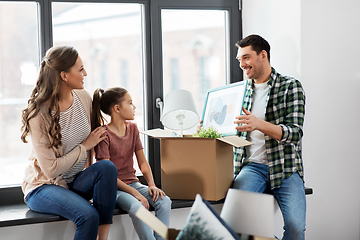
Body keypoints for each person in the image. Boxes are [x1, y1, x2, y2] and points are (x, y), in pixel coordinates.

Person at [21, 46, 118, 240]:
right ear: (64, 75)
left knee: (106, 168)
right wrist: (85, 146)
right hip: (43, 187)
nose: (85, 74)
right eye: (80, 69)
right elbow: (51, 170)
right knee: (88, 216)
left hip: (74, 182)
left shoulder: (84, 97)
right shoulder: (39, 114)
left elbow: (94, 145)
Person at [232, 34, 306, 240]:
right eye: (239, 60)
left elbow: (295, 132)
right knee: (238, 222)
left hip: (285, 167)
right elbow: (232, 131)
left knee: (295, 227)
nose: (242, 64)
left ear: (262, 55)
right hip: (251, 167)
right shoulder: (241, 91)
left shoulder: (291, 86)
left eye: (246, 58)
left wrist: (259, 125)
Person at [92, 87, 172, 240]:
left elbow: (142, 161)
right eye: (130, 103)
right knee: (137, 207)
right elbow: (107, 176)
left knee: (164, 201)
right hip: (114, 189)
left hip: (133, 184)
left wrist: (152, 185)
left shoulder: (133, 128)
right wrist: (135, 194)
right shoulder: (104, 135)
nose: (134, 107)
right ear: (117, 108)